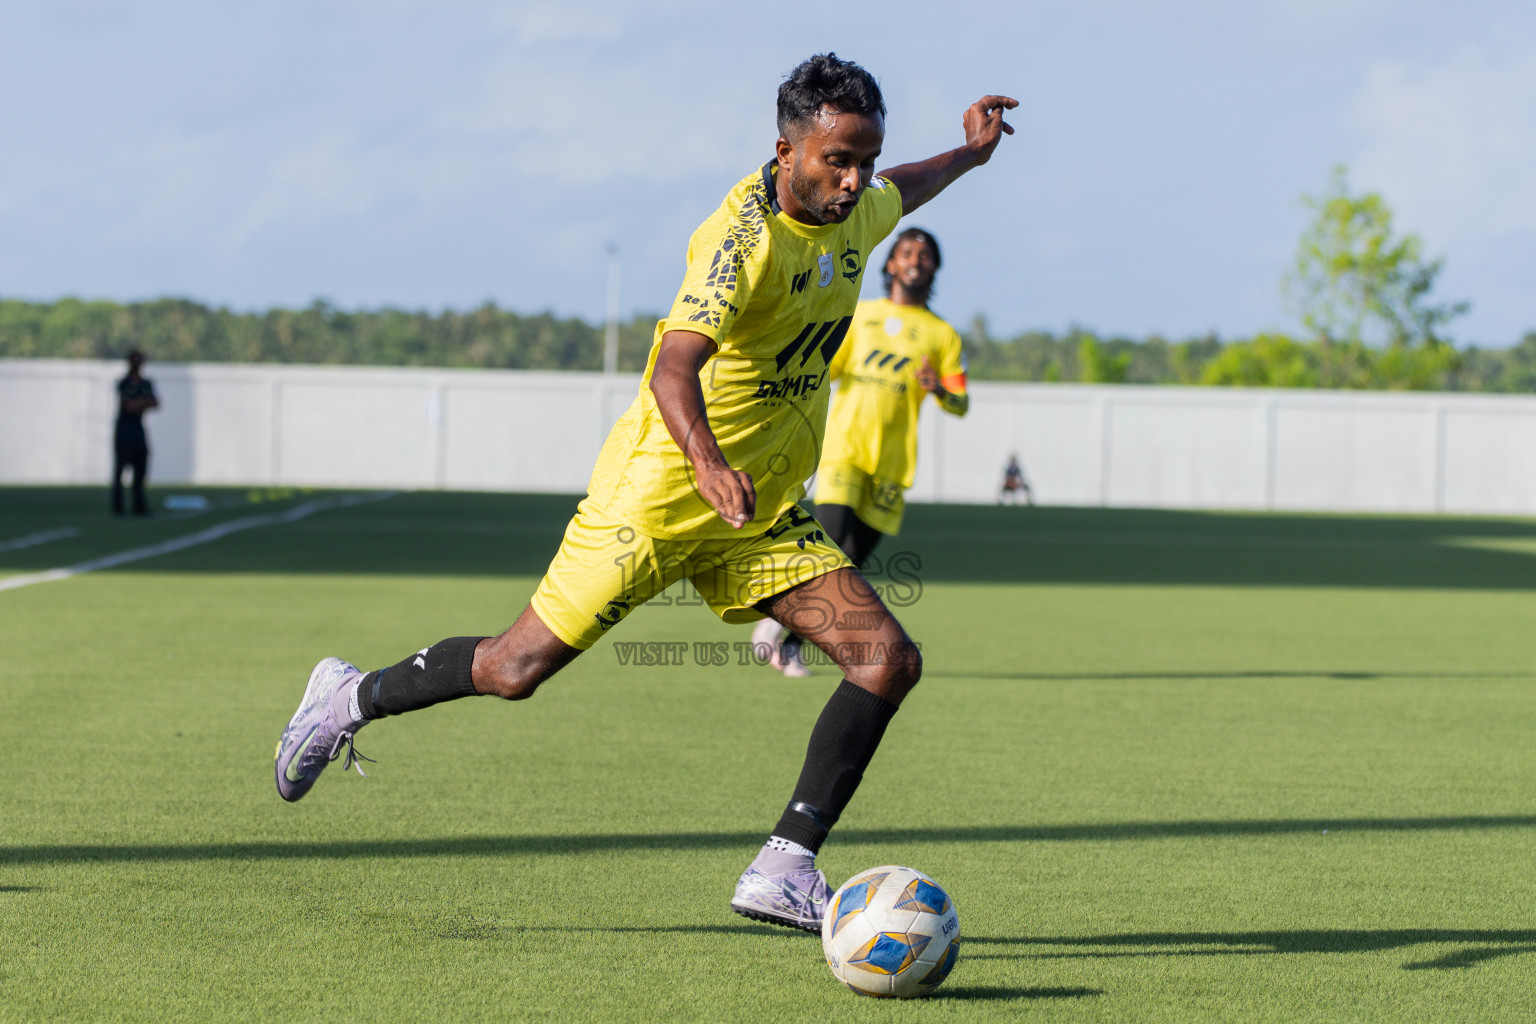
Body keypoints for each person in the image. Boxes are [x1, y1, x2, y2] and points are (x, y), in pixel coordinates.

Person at [272, 53, 1015, 934]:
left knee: (886, 657)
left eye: (861, 159)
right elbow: (674, 365)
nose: (853, 182)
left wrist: (968, 156)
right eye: (834, 162)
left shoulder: (861, 207)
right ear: (785, 151)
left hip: (758, 511)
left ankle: (785, 865)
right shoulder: (739, 241)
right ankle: (347, 697)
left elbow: (902, 184)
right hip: (657, 496)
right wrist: (704, 460)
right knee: (515, 671)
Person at [753, 227, 970, 677]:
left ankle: (791, 643)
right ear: (890, 263)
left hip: (892, 462)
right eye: (907, 251)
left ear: (935, 268)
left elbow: (961, 402)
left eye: (926, 254)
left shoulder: (942, 335)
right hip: (843, 448)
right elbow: (822, 369)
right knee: (829, 545)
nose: (916, 259)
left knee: (853, 561)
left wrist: (940, 391)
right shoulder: (861, 315)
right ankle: (774, 615)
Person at [112, 350, 159, 516]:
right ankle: (118, 506)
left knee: (141, 465)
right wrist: (142, 402)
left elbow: (155, 402)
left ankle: (139, 505)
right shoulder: (124, 383)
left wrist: (139, 403)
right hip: (124, 428)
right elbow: (128, 406)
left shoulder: (146, 383)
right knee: (120, 467)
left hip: (138, 427)